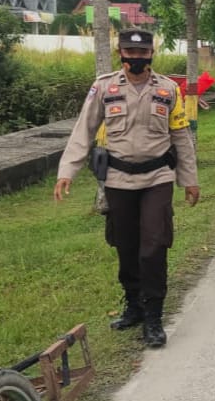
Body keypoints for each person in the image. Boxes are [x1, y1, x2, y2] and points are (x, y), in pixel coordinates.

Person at [54, 28, 200, 348]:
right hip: (118, 179)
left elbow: (181, 137)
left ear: (151, 54)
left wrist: (189, 179)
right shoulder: (103, 87)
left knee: (154, 245)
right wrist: (67, 171)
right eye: (130, 52)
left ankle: (153, 315)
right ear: (121, 53)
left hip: (157, 177)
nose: (136, 58)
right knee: (126, 244)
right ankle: (134, 305)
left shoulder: (168, 89)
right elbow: (84, 130)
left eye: (142, 52)